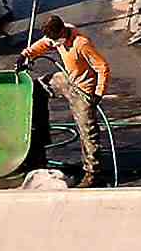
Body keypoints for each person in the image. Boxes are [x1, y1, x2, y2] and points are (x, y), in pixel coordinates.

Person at [20, 15, 115, 185]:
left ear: (62, 31)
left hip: (83, 90)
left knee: (87, 132)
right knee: (37, 88)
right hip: (68, 79)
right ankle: (40, 142)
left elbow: (102, 67)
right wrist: (27, 54)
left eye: (56, 39)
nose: (55, 43)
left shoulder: (81, 44)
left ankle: (92, 173)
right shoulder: (56, 37)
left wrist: (98, 93)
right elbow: (44, 43)